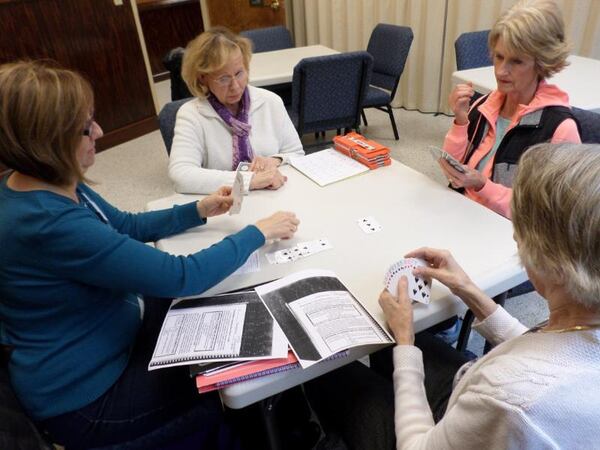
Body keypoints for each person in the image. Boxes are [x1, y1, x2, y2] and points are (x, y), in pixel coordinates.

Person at [0, 61, 300, 449]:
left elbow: (123, 224)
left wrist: (196, 210)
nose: (99, 132)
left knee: (221, 308)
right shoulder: (48, 223)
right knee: (234, 378)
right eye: (85, 127)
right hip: (88, 398)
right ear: (47, 141)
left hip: (110, 336)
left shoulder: (41, 180)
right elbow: (181, 275)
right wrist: (256, 233)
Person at [308, 142, 600, 449]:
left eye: (521, 231)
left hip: (449, 429)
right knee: (389, 349)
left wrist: (405, 340)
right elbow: (553, 350)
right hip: (487, 406)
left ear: (554, 264)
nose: (515, 236)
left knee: (332, 372)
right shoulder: (582, 325)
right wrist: (469, 290)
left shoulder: (510, 395)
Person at [442, 0, 581, 219]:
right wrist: (460, 121)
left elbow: (545, 214)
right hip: (464, 214)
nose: (501, 71)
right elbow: (451, 171)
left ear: (541, 64)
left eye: (516, 62)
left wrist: (482, 186)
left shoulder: (560, 129)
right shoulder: (486, 105)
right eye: (499, 57)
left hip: (508, 235)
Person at [168, 27, 304, 195]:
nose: (235, 86)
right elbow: (181, 176)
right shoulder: (191, 115)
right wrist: (248, 181)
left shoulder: (271, 102)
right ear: (202, 78)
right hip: (223, 204)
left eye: (239, 73)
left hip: (274, 196)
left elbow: (298, 154)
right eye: (223, 78)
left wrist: (275, 160)